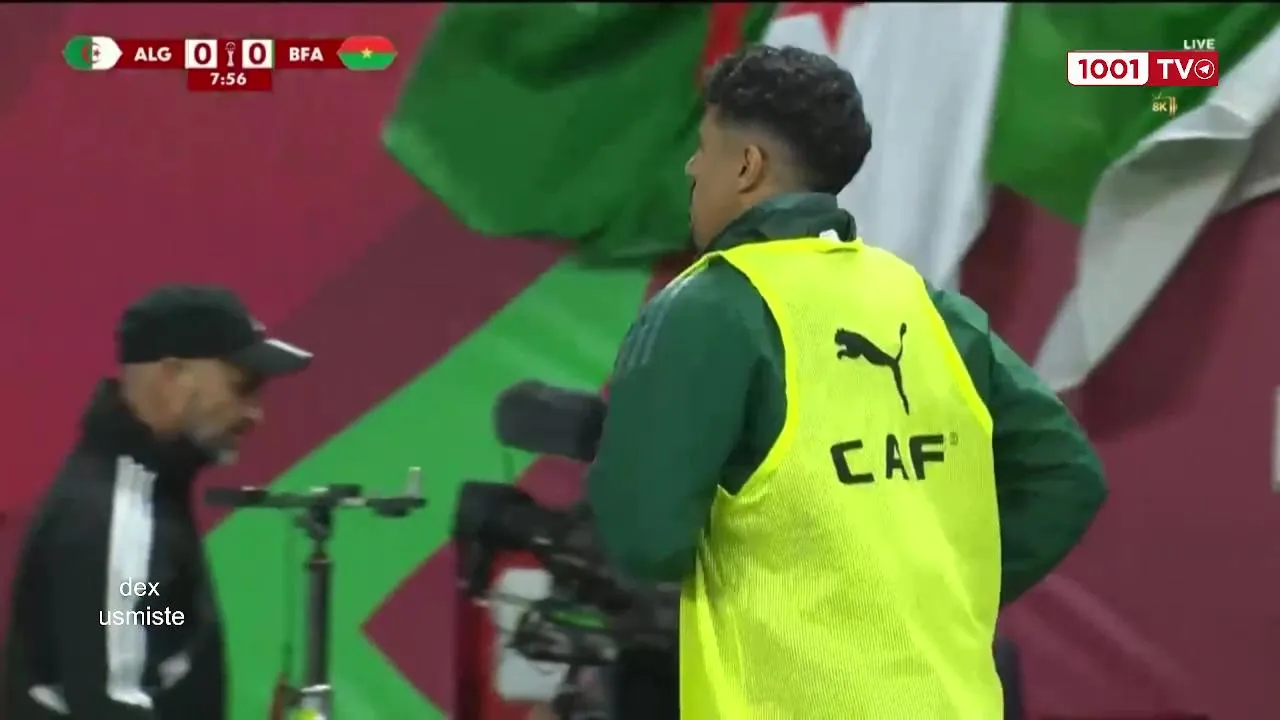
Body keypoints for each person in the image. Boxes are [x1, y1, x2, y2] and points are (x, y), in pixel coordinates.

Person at [585, 45, 1107, 719]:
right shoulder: (923, 303)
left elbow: (645, 540)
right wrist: (946, 594)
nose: (692, 168)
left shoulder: (706, 308)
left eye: (705, 149)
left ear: (746, 166)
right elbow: (1067, 476)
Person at [4, 285, 313, 719]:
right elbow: (114, 706)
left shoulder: (139, 496)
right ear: (173, 377)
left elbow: (148, 620)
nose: (255, 414)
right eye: (243, 386)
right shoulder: (115, 516)